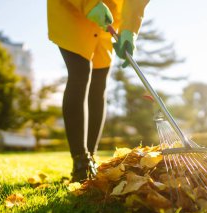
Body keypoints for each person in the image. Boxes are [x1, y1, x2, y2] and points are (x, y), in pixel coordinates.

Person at [47, 0, 150, 182]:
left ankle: (91, 158)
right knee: (80, 73)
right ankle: (80, 161)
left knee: (99, 84)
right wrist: (89, 3)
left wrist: (129, 30)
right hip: (73, 12)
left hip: (107, 20)